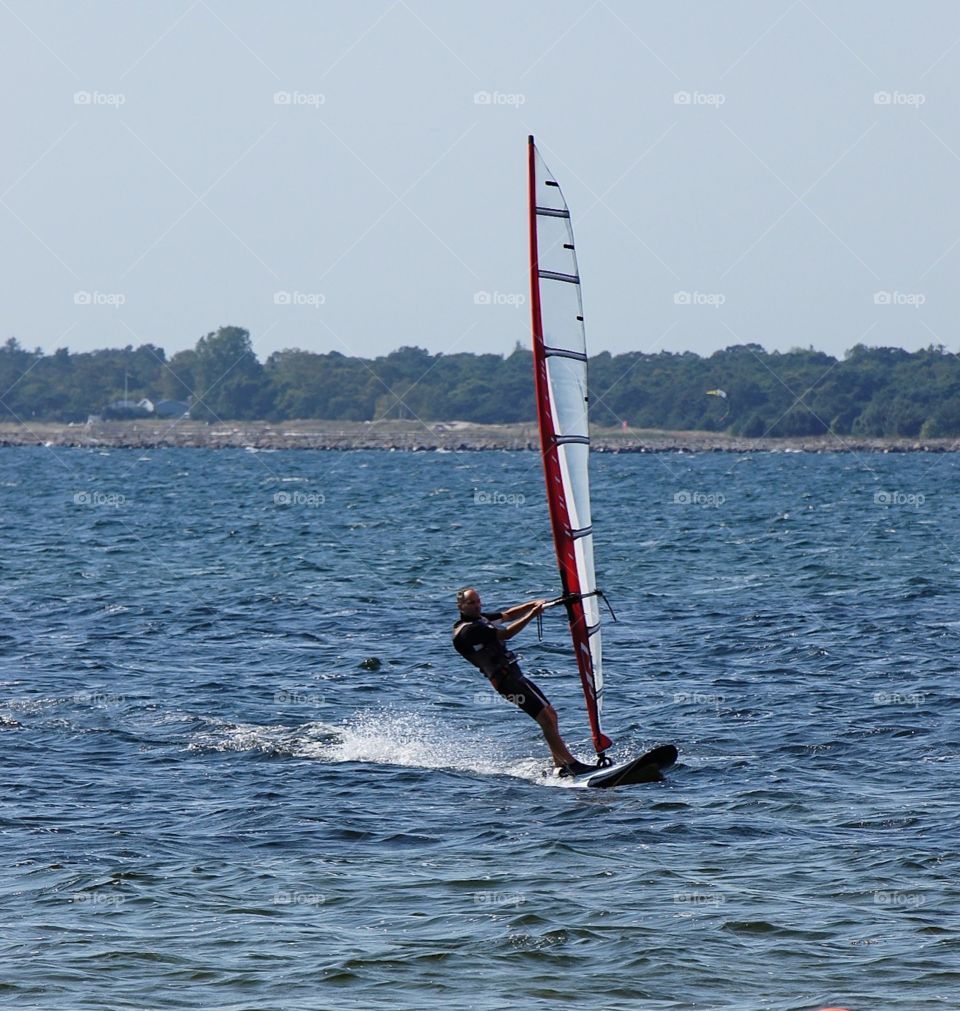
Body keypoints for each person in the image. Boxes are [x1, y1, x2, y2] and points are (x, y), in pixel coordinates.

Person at [452, 586, 594, 777]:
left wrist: (534, 604)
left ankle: (560, 764)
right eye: (471, 603)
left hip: (514, 677)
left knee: (550, 715)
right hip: (506, 682)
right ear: (460, 606)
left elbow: (509, 614)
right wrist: (533, 614)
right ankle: (570, 765)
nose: (477, 606)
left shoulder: (481, 620)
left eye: (478, 601)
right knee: (545, 718)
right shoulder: (469, 631)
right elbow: (507, 633)